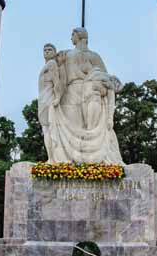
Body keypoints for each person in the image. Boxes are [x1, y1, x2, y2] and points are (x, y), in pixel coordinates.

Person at [38, 28, 123, 164]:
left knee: (87, 130)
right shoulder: (68, 55)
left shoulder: (91, 56)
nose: (71, 37)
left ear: (78, 36)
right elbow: (57, 73)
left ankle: (91, 162)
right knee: (72, 130)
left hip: (88, 93)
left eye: (72, 34)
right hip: (70, 94)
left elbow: (105, 77)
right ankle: (68, 163)